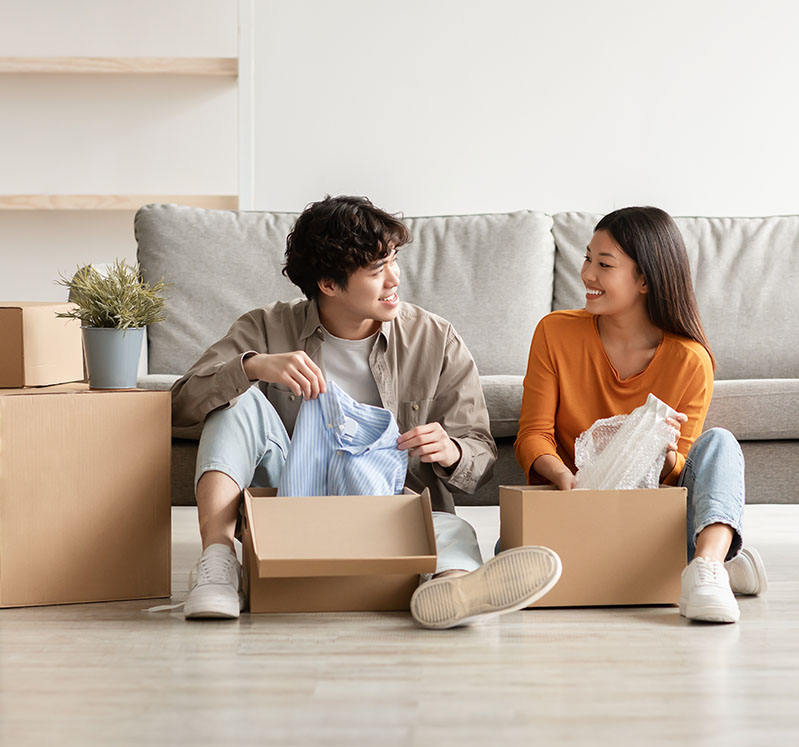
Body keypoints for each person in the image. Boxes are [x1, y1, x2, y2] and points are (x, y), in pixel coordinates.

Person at [172, 195, 561, 628]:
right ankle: (219, 564)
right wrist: (252, 366)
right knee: (235, 399)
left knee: (452, 532)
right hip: (291, 505)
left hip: (392, 511)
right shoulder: (266, 327)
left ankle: (453, 588)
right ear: (329, 284)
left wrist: (450, 450)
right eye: (377, 270)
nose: (395, 278)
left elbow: (481, 452)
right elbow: (181, 403)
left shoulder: (435, 338)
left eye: (393, 260)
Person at [514, 206, 767, 624]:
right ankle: (717, 561)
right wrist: (563, 476)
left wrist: (664, 453)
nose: (587, 275)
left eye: (604, 264)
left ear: (646, 279)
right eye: (587, 259)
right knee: (509, 551)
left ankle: (705, 568)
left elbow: (677, 474)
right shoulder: (555, 332)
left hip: (648, 519)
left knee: (720, 442)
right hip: (574, 507)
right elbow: (533, 434)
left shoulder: (690, 360)